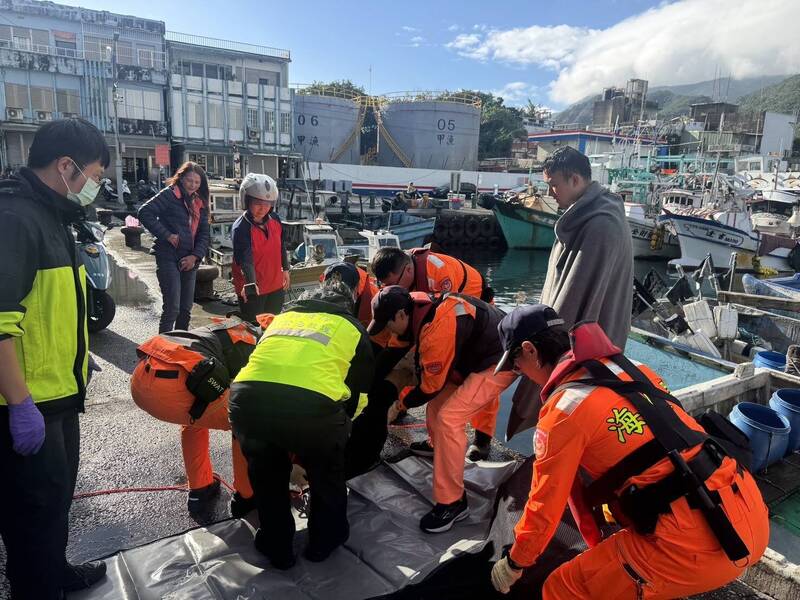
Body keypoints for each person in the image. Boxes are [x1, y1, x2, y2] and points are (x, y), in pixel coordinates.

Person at [489, 305, 769, 598]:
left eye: (516, 365)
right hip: (746, 515)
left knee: (562, 588)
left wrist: (515, 561)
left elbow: (544, 506)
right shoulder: (633, 370)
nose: (519, 372)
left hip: (698, 546)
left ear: (530, 350)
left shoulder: (563, 410)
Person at [0, 118, 109, 598]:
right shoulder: (16, 219)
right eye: (95, 175)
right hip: (30, 401)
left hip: (61, 395)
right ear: (66, 166)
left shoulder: (53, 214)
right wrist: (20, 404)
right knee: (32, 511)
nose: (97, 186)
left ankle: (53, 570)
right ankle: (36, 587)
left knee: (56, 502)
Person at [230, 280, 373, 568]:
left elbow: (265, 365)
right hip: (313, 412)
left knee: (267, 477)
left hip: (248, 403)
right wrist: (342, 427)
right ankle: (325, 541)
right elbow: (359, 393)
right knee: (326, 474)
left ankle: (277, 545)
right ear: (346, 306)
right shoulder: (352, 329)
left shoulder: (280, 320)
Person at [508, 146, 634, 439]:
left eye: (554, 185)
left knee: (571, 420)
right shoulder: (588, 215)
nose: (550, 193)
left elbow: (576, 297)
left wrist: (544, 343)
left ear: (575, 179)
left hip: (587, 346)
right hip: (583, 341)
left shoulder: (600, 224)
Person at [368, 286, 516, 533]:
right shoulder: (411, 306)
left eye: (387, 323)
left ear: (402, 315)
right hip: (474, 355)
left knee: (449, 419)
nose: (386, 329)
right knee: (437, 408)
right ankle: (439, 447)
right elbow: (393, 352)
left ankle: (453, 503)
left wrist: (398, 405)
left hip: (500, 361)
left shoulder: (437, 329)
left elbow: (429, 388)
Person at [372, 246, 497, 460]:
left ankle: (482, 439)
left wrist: (420, 391)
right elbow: (400, 340)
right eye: (385, 286)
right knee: (420, 359)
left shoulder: (439, 274)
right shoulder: (400, 273)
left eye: (393, 285)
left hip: (470, 312)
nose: (389, 288)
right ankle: (401, 408)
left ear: (408, 272)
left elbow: (444, 322)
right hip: (442, 319)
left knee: (477, 380)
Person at [130, 317, 262, 516]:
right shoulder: (257, 345)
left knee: (195, 418)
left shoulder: (232, 329)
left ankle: (199, 489)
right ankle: (246, 496)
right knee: (244, 423)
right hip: (178, 384)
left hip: (142, 376)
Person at [138, 161, 210, 333]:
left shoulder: (200, 203)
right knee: (172, 308)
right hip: (168, 255)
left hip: (190, 259)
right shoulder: (170, 195)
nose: (193, 185)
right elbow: (144, 212)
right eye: (189, 180)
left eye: (197, 182)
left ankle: (180, 346)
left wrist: (195, 257)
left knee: (186, 309)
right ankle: (162, 347)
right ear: (181, 178)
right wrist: (167, 235)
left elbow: (204, 234)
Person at [231, 173, 290, 323]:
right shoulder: (241, 228)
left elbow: (280, 245)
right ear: (247, 200)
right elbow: (245, 259)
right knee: (254, 327)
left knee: (273, 324)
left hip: (275, 284)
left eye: (267, 203)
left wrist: (286, 269)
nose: (263, 208)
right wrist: (250, 283)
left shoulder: (275, 219)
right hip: (254, 288)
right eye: (258, 203)